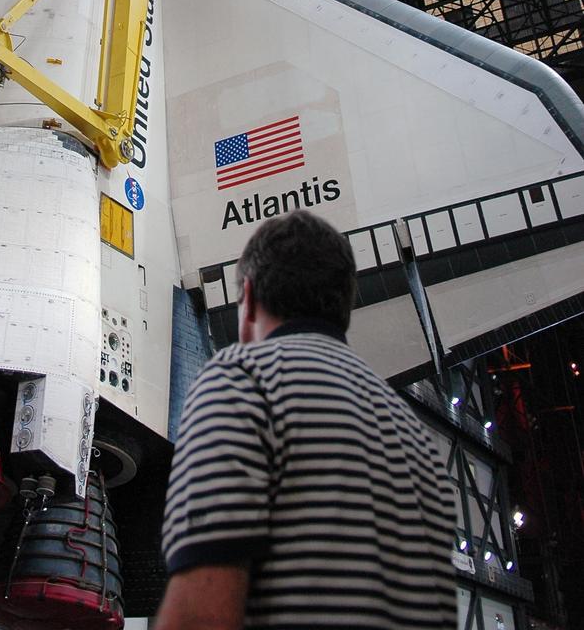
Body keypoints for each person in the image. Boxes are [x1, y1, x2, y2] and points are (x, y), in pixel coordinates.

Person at [157, 210, 457, 629]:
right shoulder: (419, 444)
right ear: (343, 305)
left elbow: (202, 613)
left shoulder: (243, 380)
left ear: (250, 300)